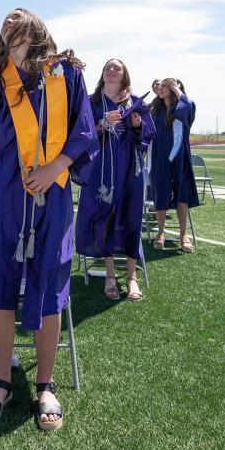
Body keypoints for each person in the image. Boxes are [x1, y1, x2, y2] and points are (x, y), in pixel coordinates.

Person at [0, 8, 95, 431]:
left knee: (49, 281)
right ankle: (3, 381)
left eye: (17, 16)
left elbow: (84, 130)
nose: (8, 21)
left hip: (53, 193)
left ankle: (46, 384)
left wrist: (54, 168)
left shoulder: (64, 74)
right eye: (4, 20)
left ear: (37, 26)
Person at [75, 59, 154, 300]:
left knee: (131, 218)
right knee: (105, 218)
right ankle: (110, 275)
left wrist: (138, 125)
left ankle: (132, 277)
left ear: (124, 74)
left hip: (130, 169)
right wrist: (102, 124)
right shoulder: (92, 101)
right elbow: (80, 133)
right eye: (108, 67)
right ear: (102, 73)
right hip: (102, 171)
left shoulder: (134, 101)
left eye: (116, 68)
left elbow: (149, 134)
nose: (111, 71)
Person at [149, 77, 199, 252]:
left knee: (181, 195)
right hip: (159, 156)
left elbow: (188, 107)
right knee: (161, 191)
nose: (160, 88)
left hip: (179, 155)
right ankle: (160, 232)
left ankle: (184, 234)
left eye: (165, 86)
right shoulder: (155, 109)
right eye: (160, 85)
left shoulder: (181, 106)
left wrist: (177, 89)